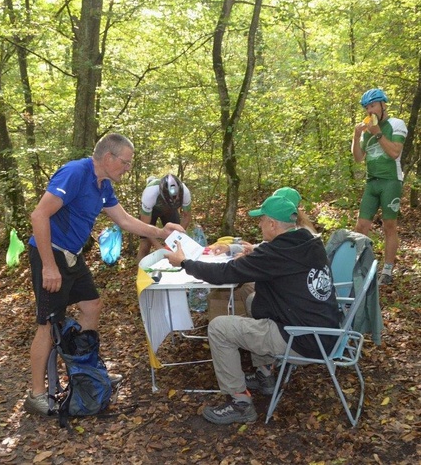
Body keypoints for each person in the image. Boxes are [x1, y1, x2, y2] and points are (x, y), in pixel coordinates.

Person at [24, 133, 185, 416]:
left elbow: (124, 220)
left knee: (92, 306)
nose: (128, 168)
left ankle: (87, 371)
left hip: (72, 255)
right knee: (49, 323)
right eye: (126, 162)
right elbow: (39, 215)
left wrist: (161, 232)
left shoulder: (103, 184)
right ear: (109, 157)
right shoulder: (75, 173)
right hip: (50, 253)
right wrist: (49, 266)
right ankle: (36, 394)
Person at [165, 195, 339, 425]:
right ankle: (265, 373)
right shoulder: (308, 242)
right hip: (326, 331)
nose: (259, 224)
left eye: (261, 220)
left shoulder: (276, 254)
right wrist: (255, 256)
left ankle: (240, 403)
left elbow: (225, 273)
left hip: (302, 339)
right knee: (252, 299)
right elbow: (275, 264)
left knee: (219, 328)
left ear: (272, 224)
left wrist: (185, 263)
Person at [207, 187, 317, 316]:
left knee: (244, 287)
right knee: (222, 293)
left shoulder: (298, 234)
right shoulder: (292, 231)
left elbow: (271, 255)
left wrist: (188, 264)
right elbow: (263, 248)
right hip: (287, 293)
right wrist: (232, 248)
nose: (260, 225)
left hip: (289, 299)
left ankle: (243, 322)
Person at [352, 88, 408, 285]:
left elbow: (394, 152)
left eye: (373, 106)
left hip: (391, 181)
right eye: (367, 108)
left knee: (389, 225)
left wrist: (377, 133)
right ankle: (358, 267)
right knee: (361, 225)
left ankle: (387, 270)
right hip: (372, 182)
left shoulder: (396, 124)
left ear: (383, 105)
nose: (370, 111)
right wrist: (356, 136)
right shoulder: (367, 130)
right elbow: (358, 158)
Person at [136, 174, 192, 263]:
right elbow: (144, 226)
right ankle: (140, 269)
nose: (175, 200)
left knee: (175, 243)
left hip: (170, 210)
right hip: (152, 210)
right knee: (145, 244)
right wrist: (159, 246)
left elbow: (186, 216)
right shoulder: (150, 194)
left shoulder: (185, 192)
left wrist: (176, 238)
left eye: (177, 198)